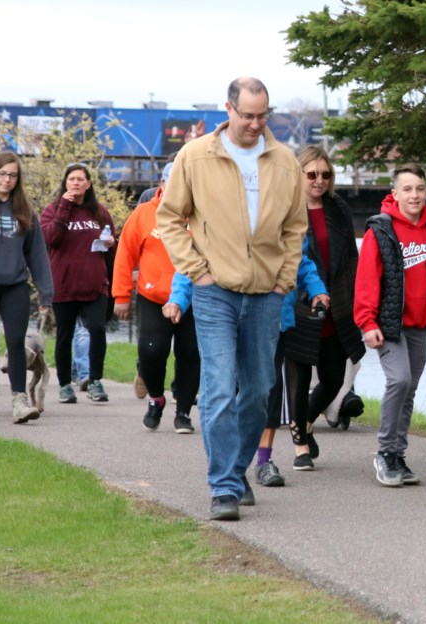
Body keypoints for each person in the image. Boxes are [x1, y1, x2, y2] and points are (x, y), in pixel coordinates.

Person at [156, 76, 307, 521]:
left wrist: (284, 280)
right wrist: (196, 272)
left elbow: (296, 227)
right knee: (220, 388)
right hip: (214, 292)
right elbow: (169, 217)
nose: (254, 124)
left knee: (258, 392)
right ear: (229, 109)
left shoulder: (284, 162)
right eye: (247, 115)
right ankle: (222, 486)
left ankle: (238, 470)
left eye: (262, 116)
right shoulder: (196, 155)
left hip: (265, 293)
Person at [354, 163, 426, 487]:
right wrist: (366, 321)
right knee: (399, 381)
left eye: (419, 189)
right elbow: (366, 281)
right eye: (407, 189)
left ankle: (398, 454)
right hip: (387, 325)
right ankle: (385, 453)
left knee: (410, 389)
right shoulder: (381, 230)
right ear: (395, 193)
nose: (414, 195)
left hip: (420, 324)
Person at [282, 145, 366, 457]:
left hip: (337, 303)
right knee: (299, 375)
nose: (319, 180)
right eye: (312, 174)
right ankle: (300, 445)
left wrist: (356, 296)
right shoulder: (286, 209)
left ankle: (304, 421)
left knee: (333, 379)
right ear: (298, 174)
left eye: (326, 174)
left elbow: (350, 258)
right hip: (300, 303)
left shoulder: (338, 208)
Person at [112, 164, 200, 435]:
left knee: (190, 354)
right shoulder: (144, 214)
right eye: (172, 183)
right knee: (152, 351)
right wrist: (121, 295)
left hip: (194, 298)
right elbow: (125, 255)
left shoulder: (199, 214)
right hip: (153, 295)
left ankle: (183, 412)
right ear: (162, 183)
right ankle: (155, 399)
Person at [0, 152, 54, 423]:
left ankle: (20, 401)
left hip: (14, 286)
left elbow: (38, 255)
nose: (7, 180)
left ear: (18, 179)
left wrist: (46, 294)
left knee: (16, 341)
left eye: (12, 175)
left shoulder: (25, 212)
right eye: (2, 174)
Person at [254, 238, 329, 486]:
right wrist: (179, 298)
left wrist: (317, 289)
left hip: (277, 319)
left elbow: (301, 261)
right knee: (238, 393)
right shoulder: (231, 208)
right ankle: (230, 465)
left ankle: (264, 461)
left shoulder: (287, 211)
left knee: (272, 391)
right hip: (240, 318)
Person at [40, 162, 116, 404]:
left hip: (95, 285)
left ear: (88, 184)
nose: (75, 183)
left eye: (80, 179)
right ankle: (64, 385)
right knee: (64, 335)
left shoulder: (99, 212)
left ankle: (94, 380)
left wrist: (111, 243)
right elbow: (50, 238)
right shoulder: (52, 210)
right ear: (65, 183)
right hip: (63, 285)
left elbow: (110, 243)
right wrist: (65, 206)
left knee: (97, 329)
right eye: (71, 179)